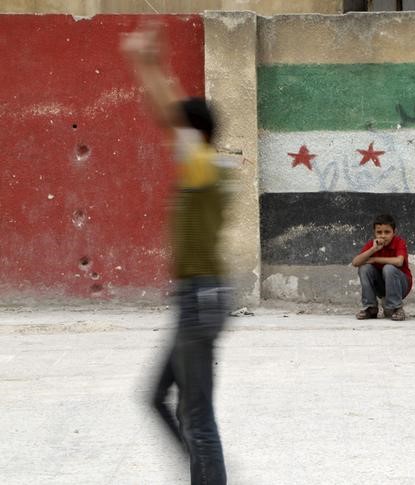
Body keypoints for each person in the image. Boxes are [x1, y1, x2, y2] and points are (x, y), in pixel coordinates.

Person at [122, 23, 231, 483]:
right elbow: (176, 116)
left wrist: (147, 62)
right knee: (158, 398)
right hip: (202, 297)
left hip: (199, 300)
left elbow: (169, 115)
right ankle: (204, 473)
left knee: (197, 416)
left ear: (193, 134)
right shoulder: (208, 165)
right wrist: (153, 64)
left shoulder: (202, 166)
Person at [352, 214, 412, 321]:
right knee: (364, 268)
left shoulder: (399, 242)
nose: (383, 236)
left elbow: (399, 262)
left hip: (401, 285)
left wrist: (375, 259)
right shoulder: (372, 245)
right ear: (374, 233)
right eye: (379, 232)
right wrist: (373, 250)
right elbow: (355, 262)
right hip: (382, 286)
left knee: (388, 268)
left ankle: (395, 308)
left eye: (387, 232)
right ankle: (371, 308)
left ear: (394, 232)